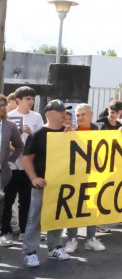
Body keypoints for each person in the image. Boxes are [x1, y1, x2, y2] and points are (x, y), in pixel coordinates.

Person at [21, 100, 70, 267]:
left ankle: (54, 247)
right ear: (48, 114)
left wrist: (74, 136)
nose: (64, 113)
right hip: (42, 184)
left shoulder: (68, 132)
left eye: (64, 110)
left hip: (61, 184)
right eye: (60, 110)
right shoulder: (37, 135)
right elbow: (27, 158)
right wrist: (34, 178)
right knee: (35, 218)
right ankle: (30, 252)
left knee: (58, 216)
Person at [2, 86, 43, 247]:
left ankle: (25, 231)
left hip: (29, 166)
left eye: (33, 99)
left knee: (26, 200)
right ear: (18, 100)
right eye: (28, 98)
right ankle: (4, 232)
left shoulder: (36, 117)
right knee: (8, 199)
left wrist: (31, 132)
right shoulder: (9, 116)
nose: (31, 102)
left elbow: (42, 139)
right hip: (12, 165)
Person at [64, 104, 105, 254]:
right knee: (74, 207)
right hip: (74, 176)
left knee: (92, 207)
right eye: (77, 115)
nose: (79, 118)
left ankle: (90, 239)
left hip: (94, 175)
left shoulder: (99, 132)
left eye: (83, 114)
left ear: (91, 114)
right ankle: (72, 239)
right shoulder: (70, 131)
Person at [0, 95, 24, 260]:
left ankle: (5, 232)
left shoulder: (9, 126)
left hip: (4, 171)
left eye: (3, 105)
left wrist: (10, 160)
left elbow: (19, 145)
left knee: (6, 202)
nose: (1, 108)